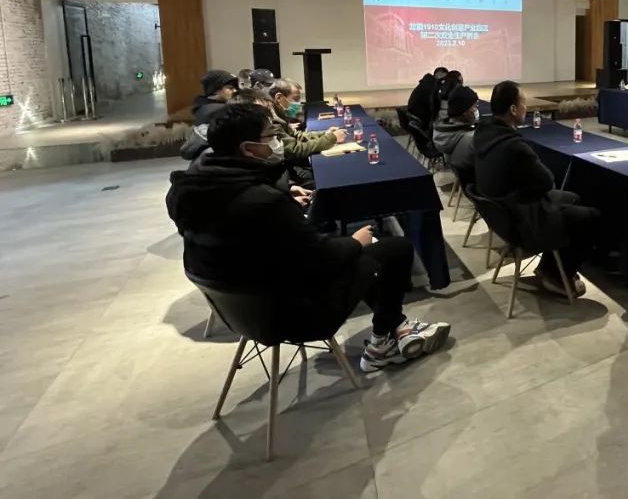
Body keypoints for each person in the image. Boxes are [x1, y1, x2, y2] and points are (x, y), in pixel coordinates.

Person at [166, 103, 451, 372]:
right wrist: (356, 241)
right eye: (271, 136)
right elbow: (321, 257)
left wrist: (284, 192)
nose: (278, 141)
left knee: (362, 252)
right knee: (393, 249)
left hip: (236, 304)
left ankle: (394, 327)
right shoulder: (264, 203)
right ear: (248, 148)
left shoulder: (188, 189)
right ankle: (383, 343)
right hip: (288, 309)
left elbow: (236, 228)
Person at [473, 80, 600, 297]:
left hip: (503, 215)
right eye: (523, 103)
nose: (526, 108)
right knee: (592, 217)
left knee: (574, 198)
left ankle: (550, 268)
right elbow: (546, 181)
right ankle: (558, 278)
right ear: (513, 109)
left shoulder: (483, 134)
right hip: (523, 219)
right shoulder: (514, 146)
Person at [267, 78, 345, 167]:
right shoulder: (273, 120)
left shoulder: (278, 113)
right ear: (279, 98)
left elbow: (297, 136)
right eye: (295, 99)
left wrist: (325, 133)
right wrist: (331, 138)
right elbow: (295, 150)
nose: (298, 104)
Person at [432, 85, 479, 173]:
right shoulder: (469, 138)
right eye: (474, 106)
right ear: (465, 111)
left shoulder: (445, 131)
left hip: (456, 174)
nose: (476, 109)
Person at [407, 69, 444, 133]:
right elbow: (434, 106)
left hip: (415, 115)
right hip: (422, 119)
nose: (444, 82)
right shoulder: (432, 86)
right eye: (443, 79)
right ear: (438, 75)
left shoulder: (426, 83)